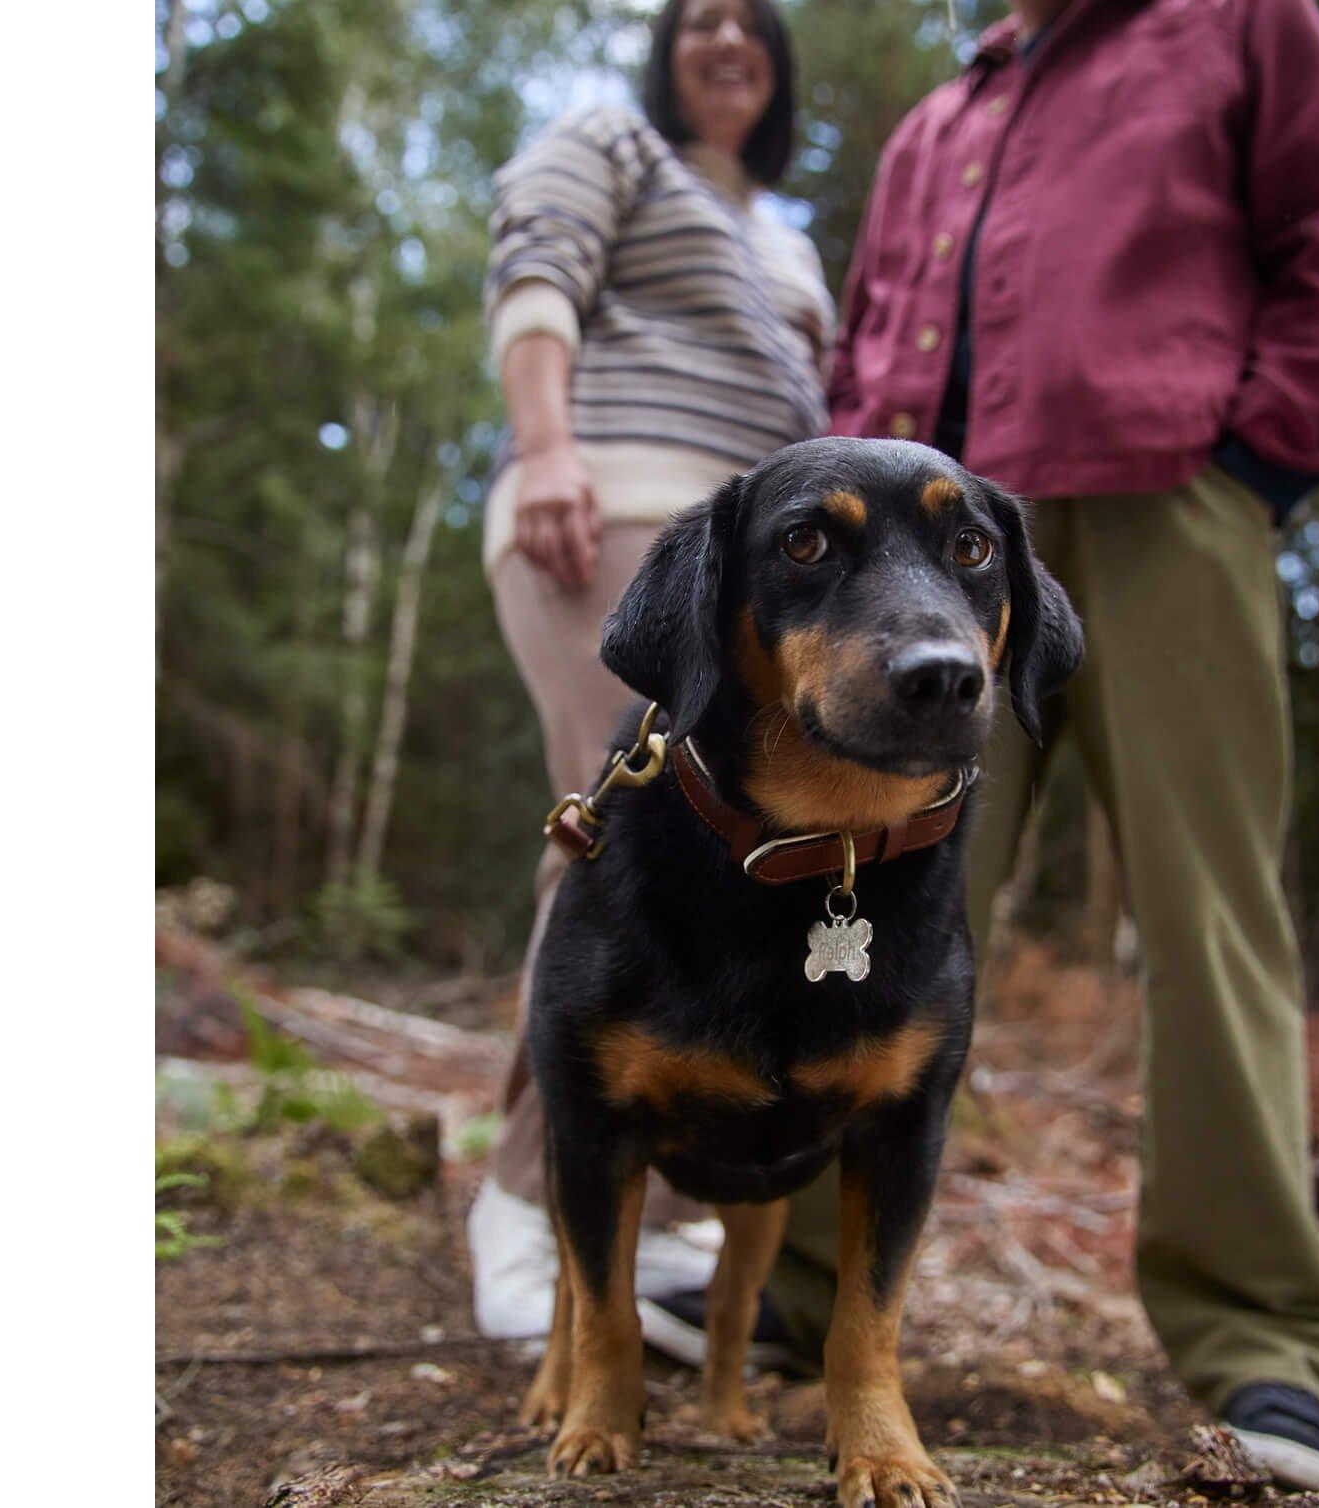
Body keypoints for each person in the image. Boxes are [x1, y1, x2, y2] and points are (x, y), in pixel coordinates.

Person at [775, 0, 1319, 1497]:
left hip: (1161, 504)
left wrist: (1251, 460)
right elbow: (871, 344)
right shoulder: (943, 112)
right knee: (856, 897)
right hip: (927, 555)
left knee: (1209, 907)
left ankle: (1260, 1338)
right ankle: (792, 1289)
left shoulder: (1238, 22)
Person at [465, 0, 832, 1360]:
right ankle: (521, 1212)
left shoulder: (789, 239)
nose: (726, 37)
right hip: (608, 509)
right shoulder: (609, 137)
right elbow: (538, 272)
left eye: (753, 21)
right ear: (664, 50)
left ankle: (650, 1216)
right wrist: (546, 445)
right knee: (611, 836)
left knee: (722, 869)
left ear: (779, 66)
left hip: (758, 576)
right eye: (699, 18)